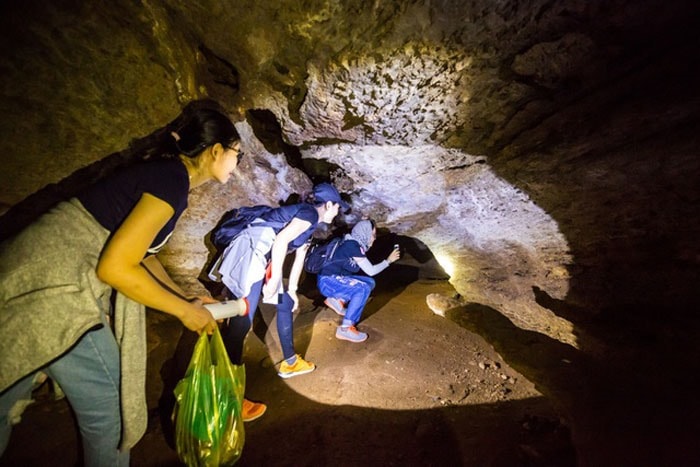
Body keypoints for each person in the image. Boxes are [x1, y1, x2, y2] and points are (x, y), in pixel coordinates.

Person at [0, 100, 244, 466]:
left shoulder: (165, 175)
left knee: (5, 396)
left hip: (31, 280)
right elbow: (115, 267)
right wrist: (183, 313)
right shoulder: (170, 180)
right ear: (215, 150)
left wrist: (188, 299)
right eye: (236, 153)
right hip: (56, 290)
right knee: (111, 413)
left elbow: (142, 255)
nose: (238, 164)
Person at [214, 183, 348, 417]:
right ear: (328, 204)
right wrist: (275, 277)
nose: (338, 212)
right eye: (337, 207)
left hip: (262, 258)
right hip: (252, 254)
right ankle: (228, 399)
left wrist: (293, 289)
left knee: (285, 302)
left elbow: (299, 257)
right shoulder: (308, 213)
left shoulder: (311, 224)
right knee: (241, 322)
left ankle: (290, 362)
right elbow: (281, 241)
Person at [317, 219, 400, 342]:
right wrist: (388, 261)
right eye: (372, 234)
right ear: (365, 233)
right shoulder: (352, 246)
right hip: (328, 282)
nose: (374, 238)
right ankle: (345, 329)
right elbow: (371, 270)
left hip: (333, 280)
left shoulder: (352, 243)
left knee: (369, 282)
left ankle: (337, 300)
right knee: (363, 288)